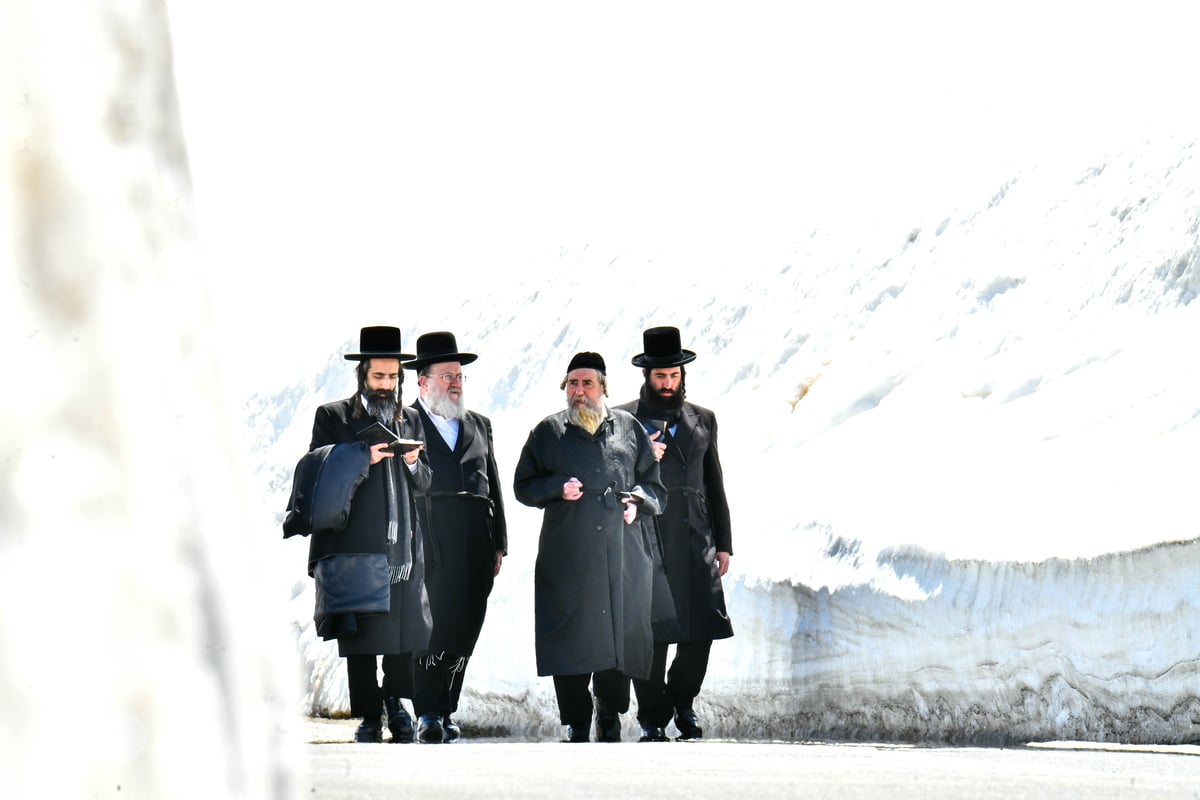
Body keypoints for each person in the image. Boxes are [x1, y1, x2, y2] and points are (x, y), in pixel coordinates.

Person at [283, 325, 433, 743]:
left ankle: (396, 705)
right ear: (362, 375)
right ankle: (369, 716)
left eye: (392, 378)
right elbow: (319, 469)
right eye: (378, 377)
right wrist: (362, 456)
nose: (386, 386)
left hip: (401, 547)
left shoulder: (413, 419)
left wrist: (412, 464)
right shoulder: (333, 417)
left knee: (405, 633)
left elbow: (424, 482)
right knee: (361, 636)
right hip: (354, 546)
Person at [513, 351, 666, 743]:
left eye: (587, 383)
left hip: (621, 552)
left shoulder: (628, 429)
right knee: (570, 637)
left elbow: (654, 485)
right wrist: (555, 488)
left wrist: (638, 500)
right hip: (569, 555)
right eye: (573, 384)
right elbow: (523, 485)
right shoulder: (548, 432)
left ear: (604, 388)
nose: (579, 391)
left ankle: (609, 712)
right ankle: (576, 721)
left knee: (618, 635)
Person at [616, 326, 734, 742]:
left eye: (674, 377)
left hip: (696, 535)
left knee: (701, 628)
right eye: (660, 377)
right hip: (646, 536)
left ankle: (682, 701)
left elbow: (714, 482)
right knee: (650, 631)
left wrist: (724, 543)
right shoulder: (624, 418)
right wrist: (641, 453)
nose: (667, 384)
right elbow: (613, 479)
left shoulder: (703, 418)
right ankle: (652, 714)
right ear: (646, 375)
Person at [404, 331, 508, 744]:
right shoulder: (405, 422)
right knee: (433, 626)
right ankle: (427, 709)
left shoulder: (479, 424)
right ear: (423, 381)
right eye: (446, 376)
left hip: (476, 539)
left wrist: (499, 541)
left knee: (466, 625)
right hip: (430, 534)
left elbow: (493, 483)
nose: (455, 383)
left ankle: (446, 706)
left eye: (459, 376)